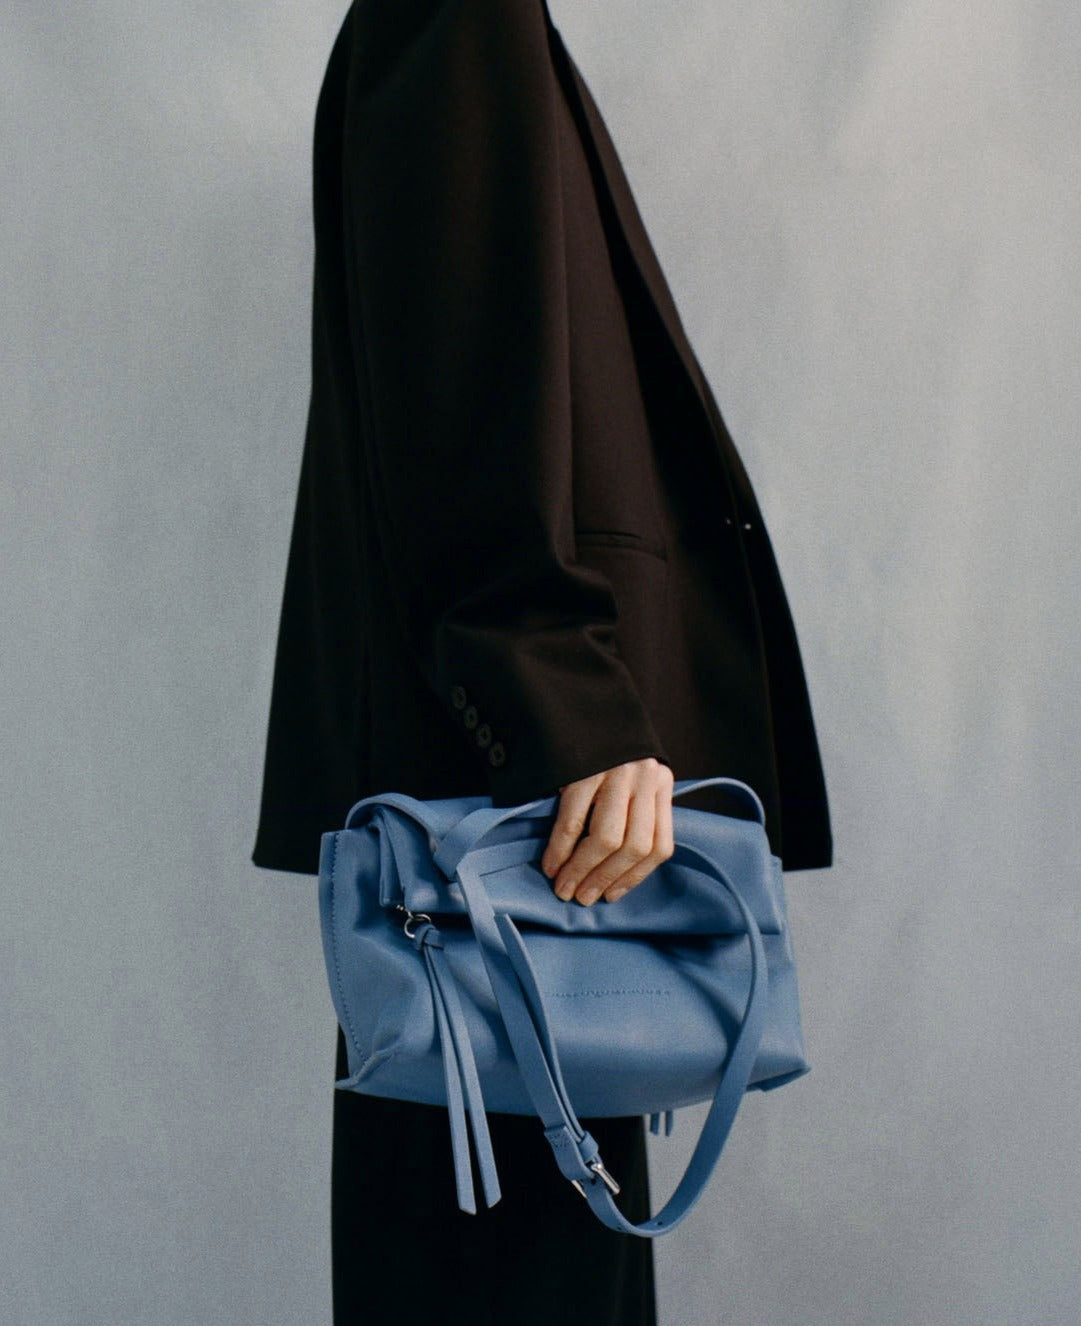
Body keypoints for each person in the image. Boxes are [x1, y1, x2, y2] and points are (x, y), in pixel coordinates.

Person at [251, 1, 833, 1321]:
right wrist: (566, 707)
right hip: (509, 812)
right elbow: (459, 390)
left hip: (503, 817)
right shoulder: (458, 16)